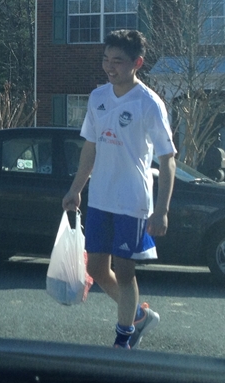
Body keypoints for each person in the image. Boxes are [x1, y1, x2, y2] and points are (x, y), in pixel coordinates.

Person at [62, 29, 176, 350]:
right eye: (106, 59)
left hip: (132, 201)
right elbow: (90, 147)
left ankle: (123, 338)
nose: (109, 67)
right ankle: (138, 315)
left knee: (125, 272)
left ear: (137, 63)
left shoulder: (149, 104)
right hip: (101, 198)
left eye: (118, 61)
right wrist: (76, 189)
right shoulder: (98, 97)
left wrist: (162, 210)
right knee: (96, 268)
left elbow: (168, 159)